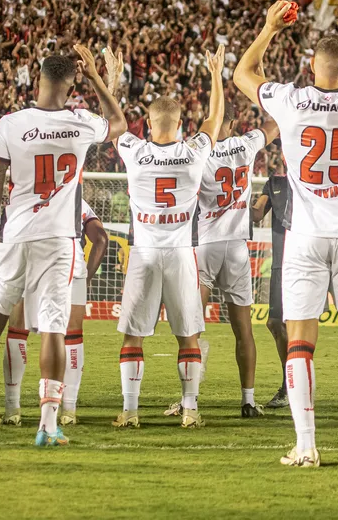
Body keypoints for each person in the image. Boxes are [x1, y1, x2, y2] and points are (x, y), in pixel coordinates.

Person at [234, 0, 338, 468]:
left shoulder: (291, 100)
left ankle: (306, 446)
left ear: (311, 66)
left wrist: (267, 28)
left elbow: (244, 72)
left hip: (303, 234)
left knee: (300, 342)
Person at [0, 45, 125, 446]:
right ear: (71, 83)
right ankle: (47, 426)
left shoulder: (11, 123)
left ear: (38, 79)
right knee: (53, 330)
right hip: (59, 240)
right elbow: (118, 122)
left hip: (16, 235)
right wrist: (97, 76)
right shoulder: (80, 122)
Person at [112, 46, 225, 431]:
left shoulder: (135, 151)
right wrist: (215, 73)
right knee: (188, 336)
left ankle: (130, 410)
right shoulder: (194, 153)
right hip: (180, 254)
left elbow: (113, 124)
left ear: (147, 123)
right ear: (179, 125)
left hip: (144, 253)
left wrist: (111, 81)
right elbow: (214, 119)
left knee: (133, 336)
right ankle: (190, 409)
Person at [164, 103, 278, 419]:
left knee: (192, 329)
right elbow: (274, 126)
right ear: (233, 123)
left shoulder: (197, 151)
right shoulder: (246, 144)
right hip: (238, 247)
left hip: (206, 246)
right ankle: (248, 401)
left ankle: (189, 401)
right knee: (244, 330)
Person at [1, 198, 109, 427]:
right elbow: (100, 239)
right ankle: (68, 409)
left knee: (17, 330)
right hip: (70, 266)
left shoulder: (22, 195)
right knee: (71, 336)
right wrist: (86, 278)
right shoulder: (76, 200)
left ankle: (12, 408)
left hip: (28, 263)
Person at [250, 145, 290, 409]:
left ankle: (294, 388)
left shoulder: (313, 181)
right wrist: (239, 194)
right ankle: (291, 386)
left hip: (311, 261)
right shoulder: (274, 183)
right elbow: (255, 214)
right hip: (281, 265)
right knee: (275, 323)